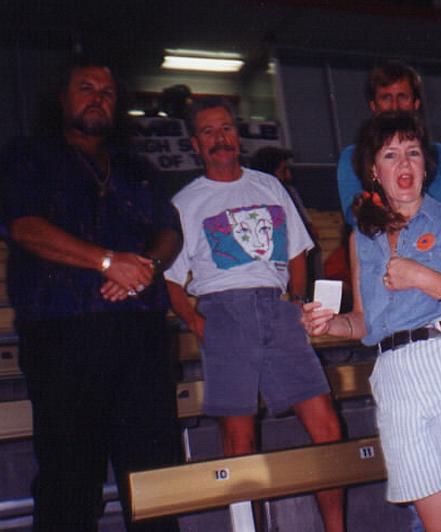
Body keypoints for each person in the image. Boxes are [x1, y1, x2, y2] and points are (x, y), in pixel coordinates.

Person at [303, 111, 441, 532]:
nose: (404, 163)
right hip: (396, 376)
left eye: (413, 152)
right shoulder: (360, 238)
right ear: (374, 170)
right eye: (390, 155)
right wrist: (330, 324)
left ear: (426, 164)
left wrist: (426, 279)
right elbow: (364, 323)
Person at [0, 59, 181, 531]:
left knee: (155, 480)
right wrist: (107, 262)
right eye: (86, 87)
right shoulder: (27, 155)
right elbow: (25, 227)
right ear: (61, 98)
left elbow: (169, 231)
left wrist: (146, 267)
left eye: (107, 92)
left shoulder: (136, 167)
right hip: (63, 336)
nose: (98, 97)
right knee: (69, 483)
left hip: (141, 337)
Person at [163, 98, 344, 532]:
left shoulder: (269, 186)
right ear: (195, 144)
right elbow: (169, 278)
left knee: (327, 428)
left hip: (276, 308)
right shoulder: (184, 203)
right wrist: (197, 323)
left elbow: (297, 253)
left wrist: (296, 299)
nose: (219, 138)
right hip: (224, 313)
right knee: (239, 442)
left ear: (237, 135)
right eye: (208, 131)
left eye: (226, 128)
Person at [337, 60, 441, 226]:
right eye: (386, 97)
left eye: (402, 97)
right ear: (373, 106)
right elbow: (358, 217)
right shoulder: (352, 157)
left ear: (416, 104)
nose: (395, 106)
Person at [250, 146, 323, 282]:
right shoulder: (260, 196)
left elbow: (308, 230)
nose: (289, 176)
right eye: (283, 171)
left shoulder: (290, 192)